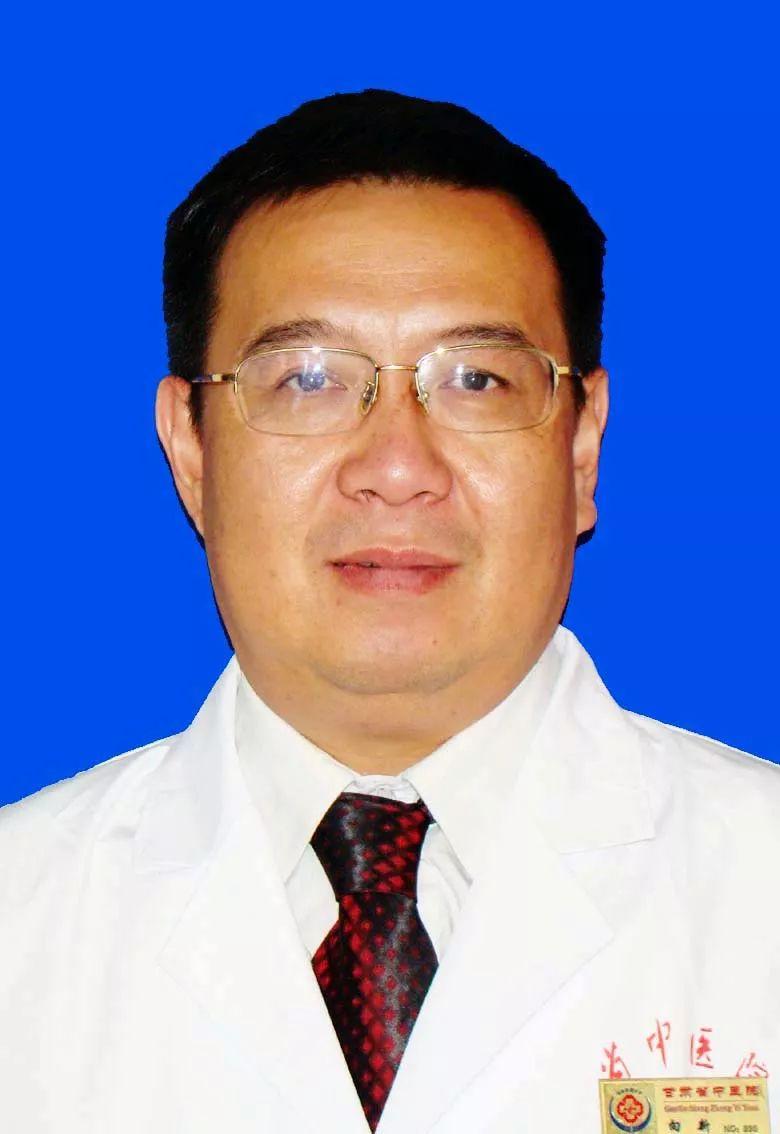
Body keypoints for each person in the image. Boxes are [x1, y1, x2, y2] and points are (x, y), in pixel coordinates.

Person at [1, 89, 778, 1134]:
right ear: (190, 452)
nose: (399, 467)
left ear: (582, 447)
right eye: (308, 380)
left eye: (478, 381)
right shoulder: (20, 917)